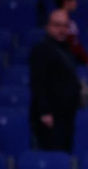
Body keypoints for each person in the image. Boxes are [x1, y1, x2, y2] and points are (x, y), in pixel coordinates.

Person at [29, 9, 82, 152]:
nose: (62, 30)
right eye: (57, 25)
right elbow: (37, 82)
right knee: (53, 155)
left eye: (65, 26)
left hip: (66, 115)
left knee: (65, 154)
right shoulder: (42, 49)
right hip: (51, 117)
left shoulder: (67, 49)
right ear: (48, 27)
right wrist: (45, 112)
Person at [55, 0, 88, 65]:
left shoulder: (69, 22)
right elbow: (74, 46)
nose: (76, 2)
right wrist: (87, 61)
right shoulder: (61, 22)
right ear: (66, 2)